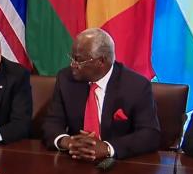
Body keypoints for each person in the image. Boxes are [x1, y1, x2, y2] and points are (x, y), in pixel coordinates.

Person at [43, 28, 160, 160]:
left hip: (119, 166)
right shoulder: (66, 78)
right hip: (75, 160)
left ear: (101, 61)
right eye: (72, 58)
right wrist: (68, 142)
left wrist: (108, 148)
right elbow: (52, 122)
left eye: (79, 60)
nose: (72, 65)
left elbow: (150, 134)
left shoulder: (136, 86)